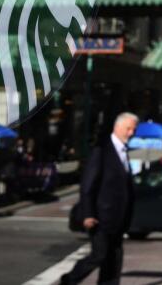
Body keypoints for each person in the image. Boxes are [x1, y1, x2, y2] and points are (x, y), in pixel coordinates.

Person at [61, 112, 139, 285]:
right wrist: (88, 214)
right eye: (129, 129)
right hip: (100, 217)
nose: (131, 133)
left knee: (114, 257)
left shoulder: (124, 152)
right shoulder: (101, 150)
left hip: (118, 218)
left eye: (134, 129)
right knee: (99, 254)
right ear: (117, 127)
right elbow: (88, 185)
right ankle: (69, 280)